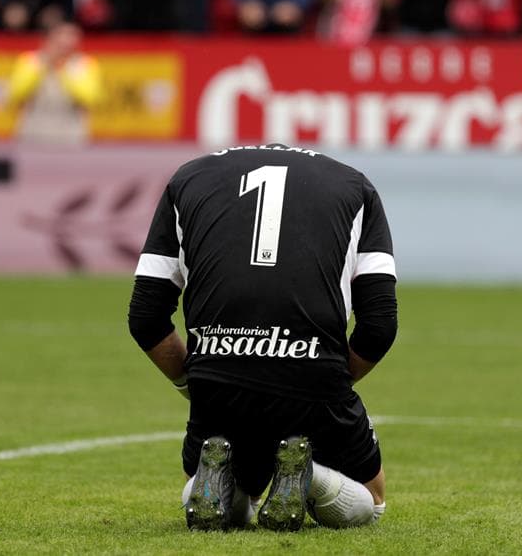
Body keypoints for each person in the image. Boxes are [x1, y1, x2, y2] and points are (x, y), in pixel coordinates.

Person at [128, 144, 398, 531]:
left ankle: (214, 480)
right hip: (314, 377)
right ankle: (311, 477)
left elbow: (145, 317)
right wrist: (330, 381)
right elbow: (380, 324)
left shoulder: (186, 179)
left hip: (217, 378)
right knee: (372, 501)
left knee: (236, 490)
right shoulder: (354, 186)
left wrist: (193, 385)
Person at [7, 21, 101, 146]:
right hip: (33, 133)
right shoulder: (30, 61)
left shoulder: (84, 64)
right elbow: (16, 93)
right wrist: (43, 65)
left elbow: (90, 97)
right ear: (49, 38)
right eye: (61, 35)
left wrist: (64, 70)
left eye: (72, 36)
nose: (66, 41)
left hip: (71, 135)